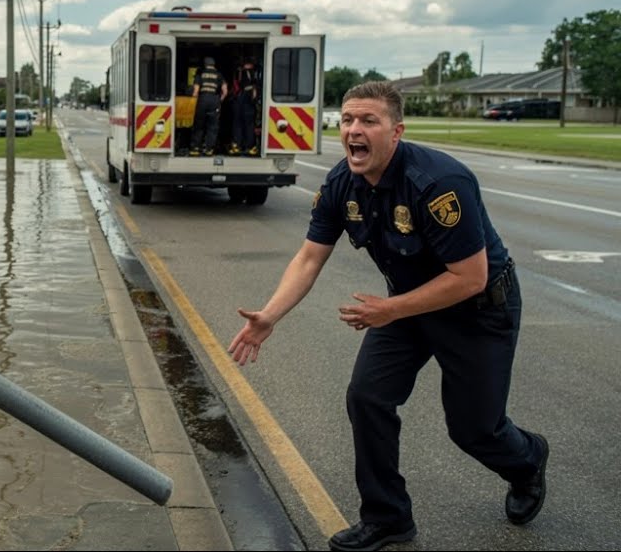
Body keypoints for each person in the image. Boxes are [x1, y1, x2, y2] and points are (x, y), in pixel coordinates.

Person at [227, 81, 548, 552]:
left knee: (474, 429)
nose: (354, 130)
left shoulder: (438, 183)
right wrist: (270, 315)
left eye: (368, 121)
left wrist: (388, 309)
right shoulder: (342, 182)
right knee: (368, 398)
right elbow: (310, 257)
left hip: (476, 311)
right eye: (348, 120)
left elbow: (470, 277)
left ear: (396, 132)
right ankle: (387, 516)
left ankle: (527, 460)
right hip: (406, 304)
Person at [190, 56, 226, 156]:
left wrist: (193, 97)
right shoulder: (219, 75)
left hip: (203, 100)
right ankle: (209, 149)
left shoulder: (200, 74)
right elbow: (225, 91)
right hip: (214, 100)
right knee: (212, 126)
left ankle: (196, 148)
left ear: (205, 64)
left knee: (199, 125)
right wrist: (220, 100)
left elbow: (196, 91)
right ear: (213, 65)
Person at [228, 59, 259, 156]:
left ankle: (237, 145)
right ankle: (249, 146)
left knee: (238, 125)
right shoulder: (252, 74)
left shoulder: (238, 72)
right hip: (247, 103)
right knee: (248, 125)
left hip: (238, 101)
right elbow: (254, 92)